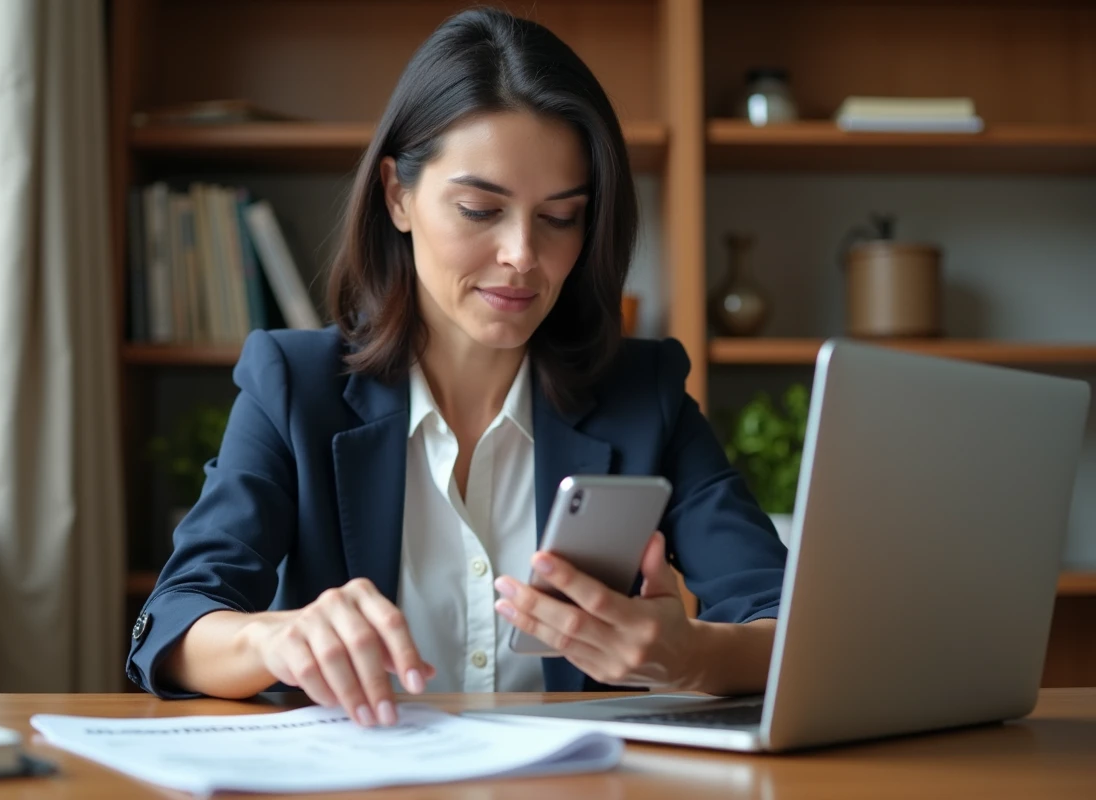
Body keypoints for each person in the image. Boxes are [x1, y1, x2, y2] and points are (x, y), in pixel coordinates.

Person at [126, 7, 787, 728]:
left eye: (560, 218)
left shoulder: (642, 395)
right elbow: (176, 621)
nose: (522, 255)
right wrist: (273, 637)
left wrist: (688, 656)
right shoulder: (295, 386)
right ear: (397, 194)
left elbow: (783, 619)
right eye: (479, 209)